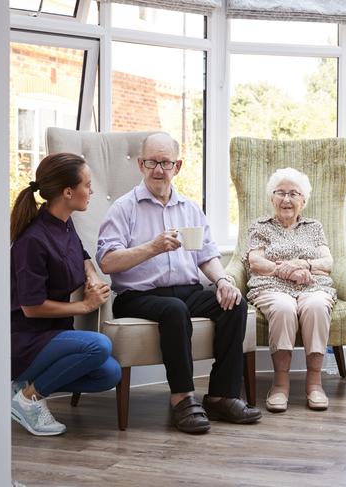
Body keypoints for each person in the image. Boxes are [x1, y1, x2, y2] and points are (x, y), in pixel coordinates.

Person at [97, 133, 261, 434]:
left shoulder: (189, 208)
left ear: (178, 166)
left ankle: (221, 395)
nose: (158, 169)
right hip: (137, 296)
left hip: (187, 291)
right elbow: (107, 262)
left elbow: (208, 256)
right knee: (173, 310)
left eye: (165, 162)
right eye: (151, 162)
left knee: (234, 302)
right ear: (140, 164)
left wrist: (223, 280)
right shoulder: (124, 208)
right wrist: (153, 247)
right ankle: (182, 398)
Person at [10, 153, 121, 436]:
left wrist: (92, 276)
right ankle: (28, 399)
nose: (91, 190)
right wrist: (85, 305)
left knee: (109, 373)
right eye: (87, 184)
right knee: (99, 346)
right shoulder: (32, 240)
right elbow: (31, 308)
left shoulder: (64, 222)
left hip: (55, 335)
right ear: (68, 192)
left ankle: (24, 386)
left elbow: (81, 254)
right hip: (25, 340)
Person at [245, 168, 335, 412]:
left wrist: (304, 265)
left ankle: (315, 384)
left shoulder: (314, 227)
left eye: (293, 194)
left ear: (303, 201)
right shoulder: (260, 227)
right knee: (284, 307)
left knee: (316, 306)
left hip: (312, 285)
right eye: (280, 193)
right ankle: (280, 385)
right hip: (271, 285)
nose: (286, 199)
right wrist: (285, 271)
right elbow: (255, 262)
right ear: (271, 198)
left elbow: (327, 263)